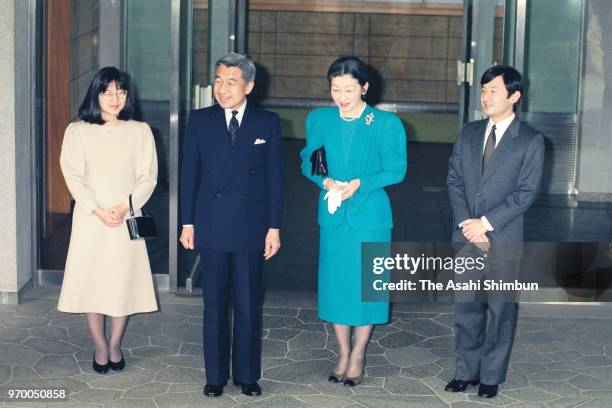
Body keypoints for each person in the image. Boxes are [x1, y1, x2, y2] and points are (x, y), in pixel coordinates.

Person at [179, 53, 284, 398]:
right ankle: (214, 376)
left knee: (249, 304)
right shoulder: (200, 120)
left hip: (252, 227)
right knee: (214, 306)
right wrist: (187, 222)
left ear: (249, 86)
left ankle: (247, 375)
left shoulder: (267, 122)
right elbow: (189, 175)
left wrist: (274, 227)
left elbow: (275, 179)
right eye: (218, 81)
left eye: (231, 82)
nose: (222, 89)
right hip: (211, 224)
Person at [299, 56, 407, 387]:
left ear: (364, 87)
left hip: (370, 215)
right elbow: (311, 161)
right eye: (335, 89)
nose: (342, 96)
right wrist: (326, 182)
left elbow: (396, 170)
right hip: (333, 214)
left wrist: (361, 183)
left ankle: (359, 354)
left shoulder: (385, 123)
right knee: (336, 286)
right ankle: (342, 352)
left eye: (349, 89)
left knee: (366, 289)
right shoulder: (320, 119)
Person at [446, 65, 545, 398]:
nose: (486, 96)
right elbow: (455, 181)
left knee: (500, 308)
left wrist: (485, 224)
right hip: (465, 236)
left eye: (493, 91)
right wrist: (468, 225)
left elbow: (525, 193)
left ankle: (490, 375)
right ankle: (466, 371)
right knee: (466, 306)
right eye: (484, 90)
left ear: (514, 96)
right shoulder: (469, 133)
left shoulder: (530, 141)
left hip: (502, 237)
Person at [57, 67, 158, 374]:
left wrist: (124, 207)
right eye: (107, 91)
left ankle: (115, 343)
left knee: (121, 282)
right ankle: (100, 345)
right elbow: (72, 175)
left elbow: (148, 177)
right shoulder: (77, 130)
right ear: (95, 94)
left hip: (127, 217)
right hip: (91, 219)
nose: (115, 98)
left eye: (121, 91)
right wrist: (98, 209)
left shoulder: (140, 130)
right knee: (93, 282)